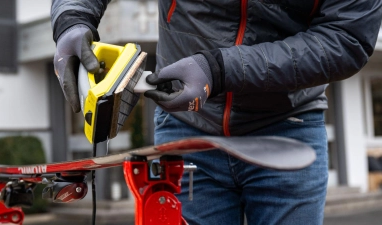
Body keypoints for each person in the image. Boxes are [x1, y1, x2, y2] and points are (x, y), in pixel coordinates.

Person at [51, 1, 382, 224]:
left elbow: (347, 39)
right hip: (186, 128)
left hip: (288, 126)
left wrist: (222, 69)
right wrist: (71, 18)